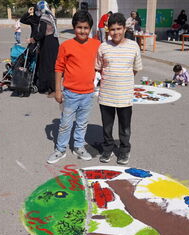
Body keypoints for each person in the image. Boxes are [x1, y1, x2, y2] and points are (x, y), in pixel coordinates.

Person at [46, 11, 101, 164]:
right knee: (65, 123)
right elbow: (58, 68)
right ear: (74, 28)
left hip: (88, 93)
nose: (82, 31)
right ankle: (60, 149)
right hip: (70, 94)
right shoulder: (66, 46)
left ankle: (78, 146)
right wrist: (58, 90)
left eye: (85, 27)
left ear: (90, 28)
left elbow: (103, 63)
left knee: (82, 122)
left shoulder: (96, 45)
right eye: (79, 27)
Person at [96, 13, 142, 165]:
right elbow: (98, 68)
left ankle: (124, 151)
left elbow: (135, 69)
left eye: (119, 29)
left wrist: (123, 79)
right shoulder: (103, 47)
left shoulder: (133, 46)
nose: (116, 32)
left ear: (124, 28)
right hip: (106, 96)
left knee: (125, 128)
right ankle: (108, 149)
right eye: (112, 29)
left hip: (125, 96)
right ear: (108, 30)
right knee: (107, 127)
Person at [30, 1, 59, 96]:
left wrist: (33, 39)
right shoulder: (51, 16)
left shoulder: (44, 18)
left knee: (47, 66)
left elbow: (42, 33)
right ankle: (53, 88)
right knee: (53, 66)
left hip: (47, 44)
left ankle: (50, 89)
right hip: (54, 43)